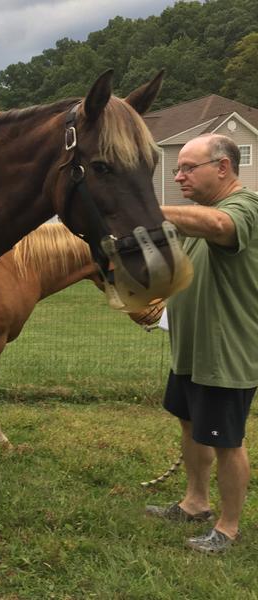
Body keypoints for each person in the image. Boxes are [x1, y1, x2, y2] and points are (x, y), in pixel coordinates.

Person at [145, 134, 258, 553]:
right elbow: (181, 268)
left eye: (188, 168)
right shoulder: (197, 213)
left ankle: (228, 528)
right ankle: (195, 502)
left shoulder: (244, 207)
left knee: (227, 440)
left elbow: (220, 229)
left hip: (225, 352)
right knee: (191, 425)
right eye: (177, 169)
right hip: (190, 350)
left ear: (223, 167)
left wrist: (141, 211)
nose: (179, 176)